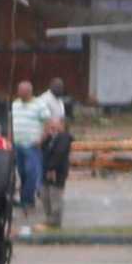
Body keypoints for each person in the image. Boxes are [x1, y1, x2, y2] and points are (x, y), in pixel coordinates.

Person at [7, 77, 48, 210]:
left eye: (22, 91)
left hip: (32, 145)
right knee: (22, 172)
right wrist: (9, 138)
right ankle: (25, 198)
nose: (19, 93)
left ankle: (28, 199)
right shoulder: (15, 104)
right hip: (17, 144)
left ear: (29, 92)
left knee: (31, 172)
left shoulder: (39, 105)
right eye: (19, 91)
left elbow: (48, 124)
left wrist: (41, 139)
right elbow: (10, 122)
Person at [38, 92, 74, 228]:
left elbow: (59, 154)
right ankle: (48, 218)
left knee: (55, 196)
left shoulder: (64, 138)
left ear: (63, 124)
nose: (53, 123)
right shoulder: (53, 137)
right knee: (44, 194)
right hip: (46, 169)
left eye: (57, 122)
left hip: (56, 171)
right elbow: (42, 148)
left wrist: (52, 168)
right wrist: (46, 135)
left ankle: (55, 221)